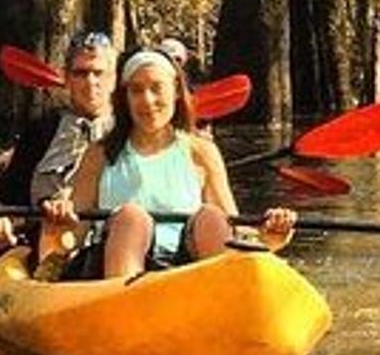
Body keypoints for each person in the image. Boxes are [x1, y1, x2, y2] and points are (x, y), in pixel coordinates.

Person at [42, 48, 295, 280]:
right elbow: (69, 240)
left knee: (211, 218)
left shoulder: (202, 152)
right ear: (125, 97)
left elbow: (238, 233)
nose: (147, 100)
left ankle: (225, 297)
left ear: (175, 90)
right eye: (136, 90)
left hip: (185, 271)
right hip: (116, 271)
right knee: (132, 218)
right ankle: (125, 304)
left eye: (156, 88)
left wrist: (269, 238)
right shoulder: (99, 155)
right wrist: (58, 228)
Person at [0, 30, 115, 253]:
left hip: (111, 244)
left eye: (98, 73)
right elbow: (5, 201)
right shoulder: (42, 131)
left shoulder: (131, 129)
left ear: (114, 78)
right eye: (81, 73)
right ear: (67, 78)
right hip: (48, 243)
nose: (91, 82)